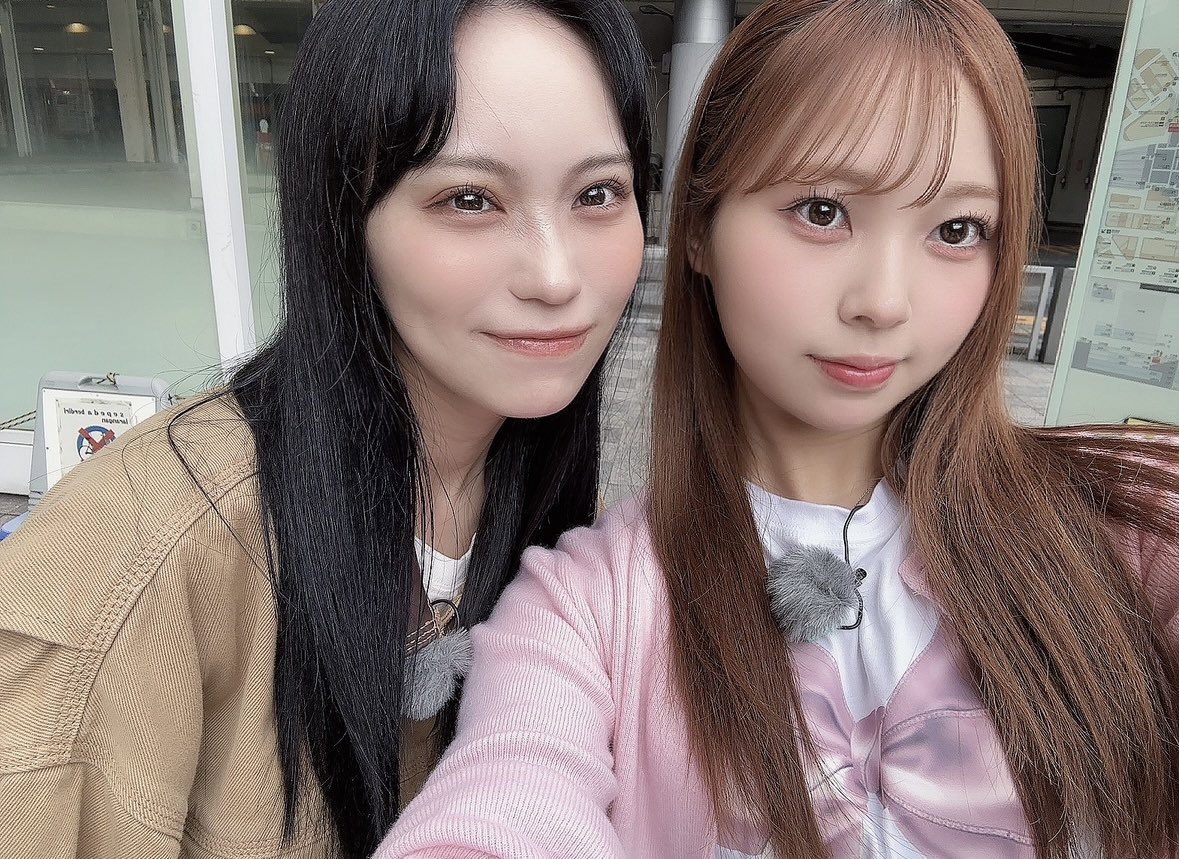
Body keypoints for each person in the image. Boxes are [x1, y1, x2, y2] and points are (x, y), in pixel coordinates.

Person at [374, 0, 1179, 857]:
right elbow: (508, 794)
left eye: (955, 229)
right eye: (821, 211)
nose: (882, 302)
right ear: (698, 229)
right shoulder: (584, 610)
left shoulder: (1131, 522)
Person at [0, 0, 651, 856]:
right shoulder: (135, 553)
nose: (557, 276)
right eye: (469, 199)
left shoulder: (574, 530)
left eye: (597, 194)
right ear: (344, 215)